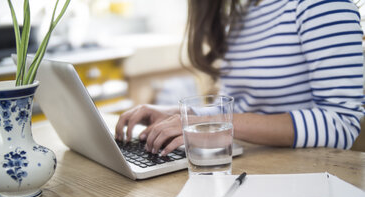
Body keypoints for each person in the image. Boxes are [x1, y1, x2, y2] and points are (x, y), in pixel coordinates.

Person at [115, 0, 365, 156]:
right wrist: (183, 115)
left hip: (308, 175)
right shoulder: (243, 13)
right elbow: (244, 111)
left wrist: (211, 122)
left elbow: (341, 123)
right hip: (249, 164)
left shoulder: (322, 4)